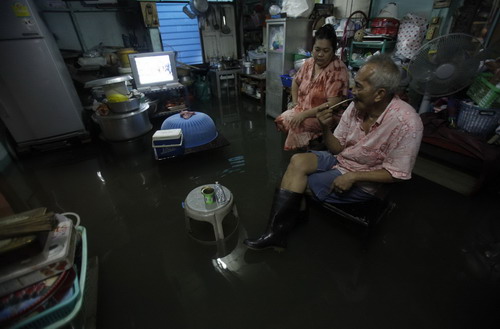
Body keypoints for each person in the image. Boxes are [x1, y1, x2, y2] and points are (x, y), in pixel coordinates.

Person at [244, 54, 424, 251]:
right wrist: (325, 127)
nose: (352, 91)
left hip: (363, 178)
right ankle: (280, 229)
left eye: (359, 87)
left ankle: (279, 231)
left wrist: (353, 176)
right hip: (342, 159)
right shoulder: (355, 107)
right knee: (297, 161)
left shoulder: (407, 123)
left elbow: (398, 174)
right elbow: (337, 148)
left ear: (379, 94)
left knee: (294, 182)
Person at [275, 24, 349, 151]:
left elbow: (333, 104)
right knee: (281, 119)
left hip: (326, 116)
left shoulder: (337, 69)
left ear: (333, 50)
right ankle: (301, 150)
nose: (320, 54)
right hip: (303, 108)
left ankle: (306, 155)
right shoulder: (309, 63)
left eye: (326, 51)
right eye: (317, 49)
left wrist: (303, 115)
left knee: (296, 126)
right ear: (312, 48)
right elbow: (295, 82)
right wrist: (294, 102)